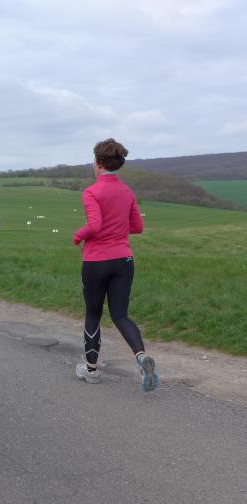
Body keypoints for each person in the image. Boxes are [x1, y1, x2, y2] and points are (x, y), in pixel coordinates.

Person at [73, 138, 158, 392]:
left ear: (99, 163)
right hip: (124, 260)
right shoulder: (127, 192)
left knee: (93, 313)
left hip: (96, 261)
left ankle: (91, 371)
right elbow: (138, 227)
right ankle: (141, 357)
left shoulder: (91, 192)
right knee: (120, 315)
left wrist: (78, 236)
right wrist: (118, 228)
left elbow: (94, 225)